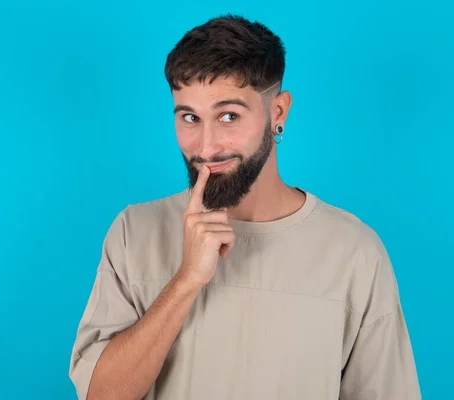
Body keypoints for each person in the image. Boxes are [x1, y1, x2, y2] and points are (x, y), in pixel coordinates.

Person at [68, 14, 421, 400]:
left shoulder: (354, 252)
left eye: (229, 116)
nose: (206, 147)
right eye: (190, 117)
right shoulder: (134, 232)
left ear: (278, 113)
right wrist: (186, 281)